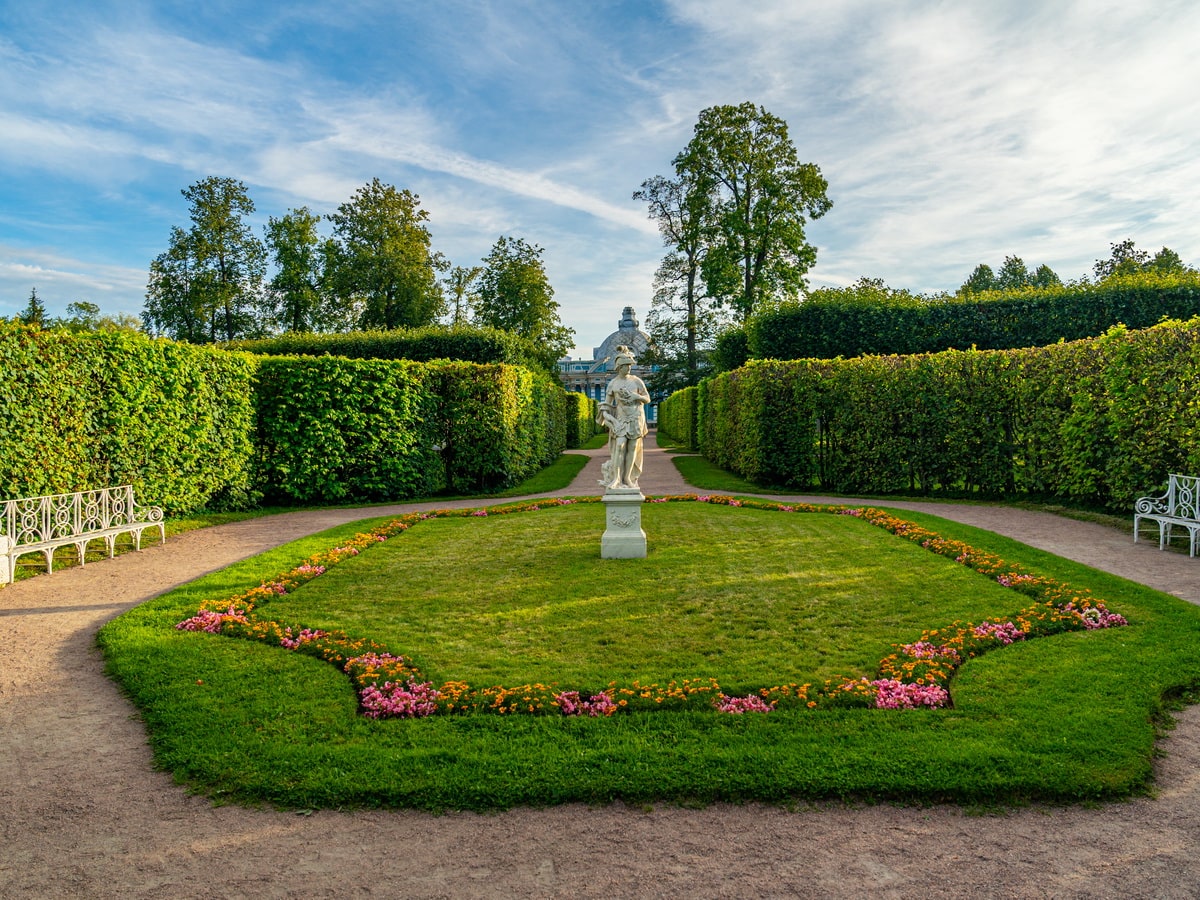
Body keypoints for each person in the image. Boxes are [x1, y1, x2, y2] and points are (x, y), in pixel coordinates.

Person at [596, 346, 651, 490]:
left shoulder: (637, 381)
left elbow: (647, 399)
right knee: (619, 447)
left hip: (636, 418)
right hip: (620, 419)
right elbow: (606, 407)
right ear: (619, 367)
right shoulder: (613, 383)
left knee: (632, 447)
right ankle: (616, 478)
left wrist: (636, 396)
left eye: (630, 365)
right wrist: (611, 421)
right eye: (626, 365)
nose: (629, 368)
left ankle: (627, 478)